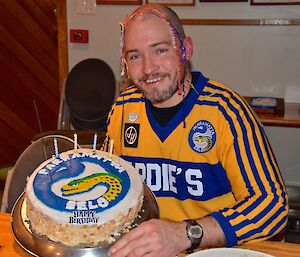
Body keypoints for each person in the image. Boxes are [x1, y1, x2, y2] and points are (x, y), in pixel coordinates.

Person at [102, 4, 288, 257]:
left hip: (216, 250)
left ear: (185, 48)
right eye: (135, 56)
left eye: (160, 50)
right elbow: (111, 192)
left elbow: (271, 207)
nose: (148, 69)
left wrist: (184, 234)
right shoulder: (123, 110)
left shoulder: (225, 110)